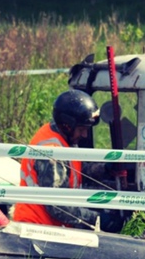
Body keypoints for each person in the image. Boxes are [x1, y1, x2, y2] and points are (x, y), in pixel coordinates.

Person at [12, 89, 124, 232]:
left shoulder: (61, 137)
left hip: (49, 227)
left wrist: (105, 168)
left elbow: (73, 170)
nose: (84, 135)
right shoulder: (51, 153)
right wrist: (99, 219)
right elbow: (58, 207)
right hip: (36, 228)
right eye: (81, 129)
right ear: (67, 125)